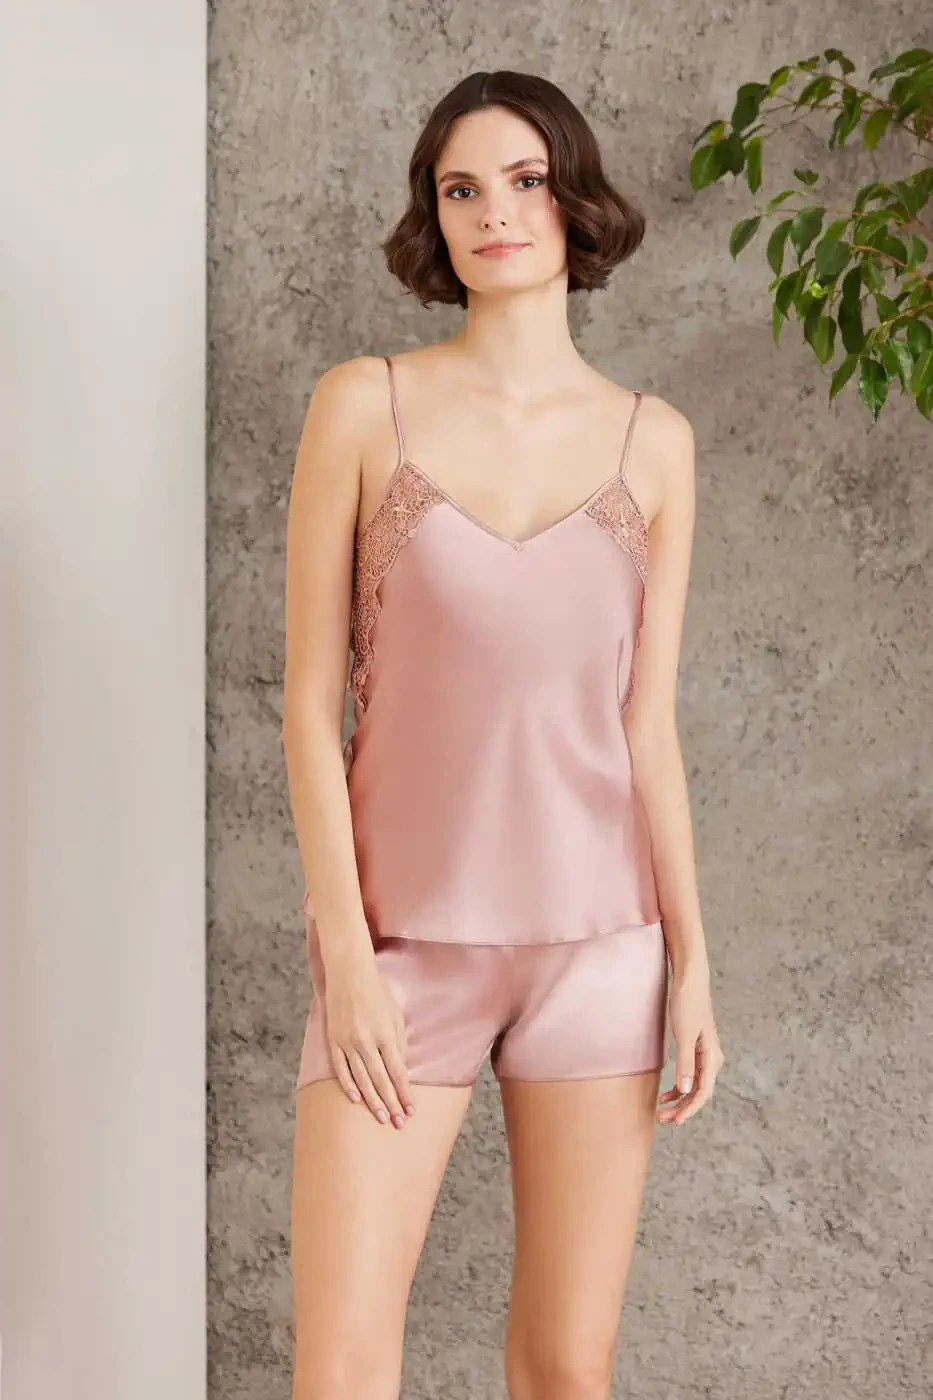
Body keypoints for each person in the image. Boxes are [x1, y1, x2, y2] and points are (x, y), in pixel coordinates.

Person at [283, 68, 725, 1400]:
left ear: (573, 199)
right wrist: (346, 956)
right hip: (403, 951)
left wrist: (693, 965)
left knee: (566, 1369)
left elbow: (647, 728)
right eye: (460, 189)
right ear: (433, 217)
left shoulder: (655, 443)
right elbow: (307, 701)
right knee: (342, 1366)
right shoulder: (363, 406)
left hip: (602, 952)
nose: (495, 214)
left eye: (525, 181)